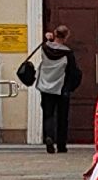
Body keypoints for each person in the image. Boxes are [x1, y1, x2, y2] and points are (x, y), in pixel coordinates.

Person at [35, 25, 82, 154]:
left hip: (45, 86)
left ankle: (49, 136)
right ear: (67, 36)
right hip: (61, 88)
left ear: (55, 33)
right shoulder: (67, 53)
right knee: (62, 117)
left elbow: (46, 43)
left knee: (48, 114)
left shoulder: (45, 48)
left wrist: (48, 39)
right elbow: (74, 72)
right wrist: (71, 86)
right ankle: (61, 145)